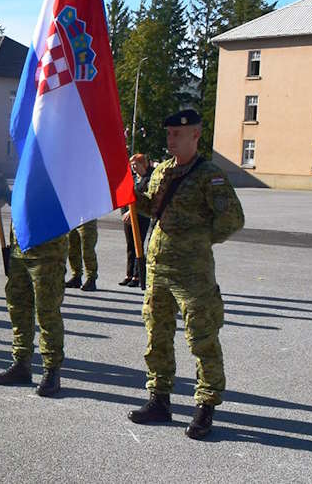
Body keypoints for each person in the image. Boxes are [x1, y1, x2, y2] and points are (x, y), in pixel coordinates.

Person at [127, 109, 244, 440]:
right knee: (157, 336)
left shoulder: (210, 175)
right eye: (168, 135)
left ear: (195, 135)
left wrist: (202, 239)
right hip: (158, 270)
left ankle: (205, 406)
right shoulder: (163, 170)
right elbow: (153, 206)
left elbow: (233, 219)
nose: (170, 140)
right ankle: (159, 400)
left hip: (192, 274)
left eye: (177, 135)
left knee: (201, 338)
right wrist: (131, 195)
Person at [0, 227, 69, 397]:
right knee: (17, 307)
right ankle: (21, 363)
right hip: (19, 247)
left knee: (47, 311)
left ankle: (52, 370)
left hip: (48, 251)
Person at [120, 153, 152, 288]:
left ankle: (137, 275)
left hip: (141, 217)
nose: (133, 167)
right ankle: (128, 274)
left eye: (136, 164)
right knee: (130, 246)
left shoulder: (148, 179)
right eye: (132, 165)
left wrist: (131, 211)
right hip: (128, 217)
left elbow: (146, 199)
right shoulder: (132, 179)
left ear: (143, 164)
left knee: (138, 244)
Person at [65, 220, 99, 292]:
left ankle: (91, 278)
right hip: (73, 217)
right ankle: (76, 276)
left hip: (87, 218)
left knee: (88, 250)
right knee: (72, 249)